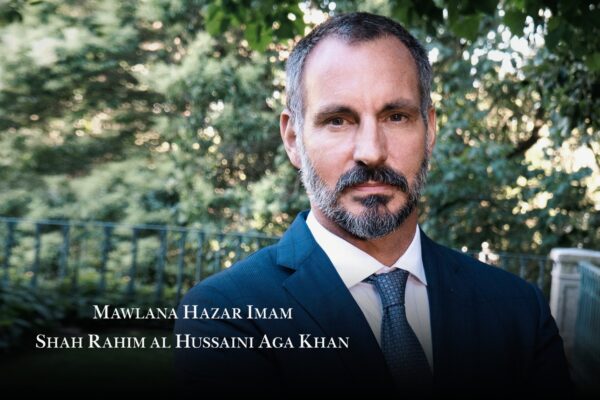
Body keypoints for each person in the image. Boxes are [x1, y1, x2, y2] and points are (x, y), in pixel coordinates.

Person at [174, 12, 572, 395]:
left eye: (396, 116)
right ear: (293, 139)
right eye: (338, 120)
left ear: (430, 129)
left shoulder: (520, 311)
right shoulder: (227, 315)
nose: (371, 152)